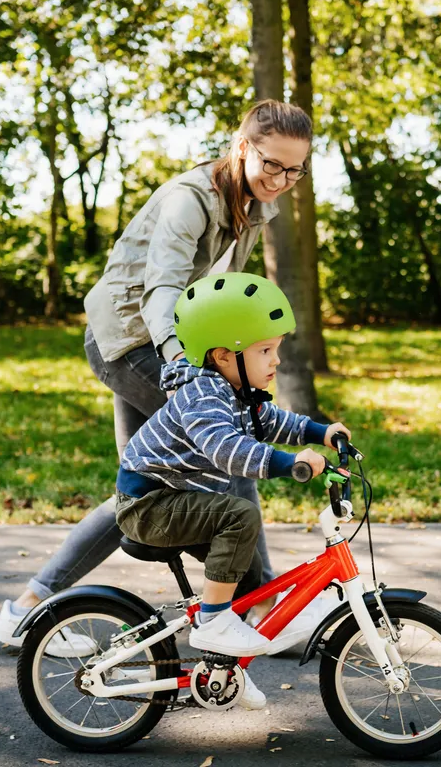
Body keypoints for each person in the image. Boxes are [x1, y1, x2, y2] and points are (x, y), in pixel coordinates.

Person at [0, 99, 339, 655]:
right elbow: (163, 291)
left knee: (139, 485)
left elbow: (220, 292)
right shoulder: (189, 200)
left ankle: (26, 612)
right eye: (273, 164)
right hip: (133, 342)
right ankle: (261, 610)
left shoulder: (253, 203)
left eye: (295, 170)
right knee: (234, 444)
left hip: (164, 342)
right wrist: (183, 363)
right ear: (244, 147)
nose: (282, 179)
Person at [115, 272, 351, 709]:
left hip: (175, 499)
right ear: (224, 355)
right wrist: (288, 462)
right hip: (148, 504)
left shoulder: (237, 389)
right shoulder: (204, 394)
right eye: (265, 350)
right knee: (239, 515)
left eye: (276, 349)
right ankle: (213, 621)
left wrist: (320, 432)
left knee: (250, 577)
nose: (275, 360)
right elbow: (226, 450)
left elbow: (272, 421)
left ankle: (227, 672)